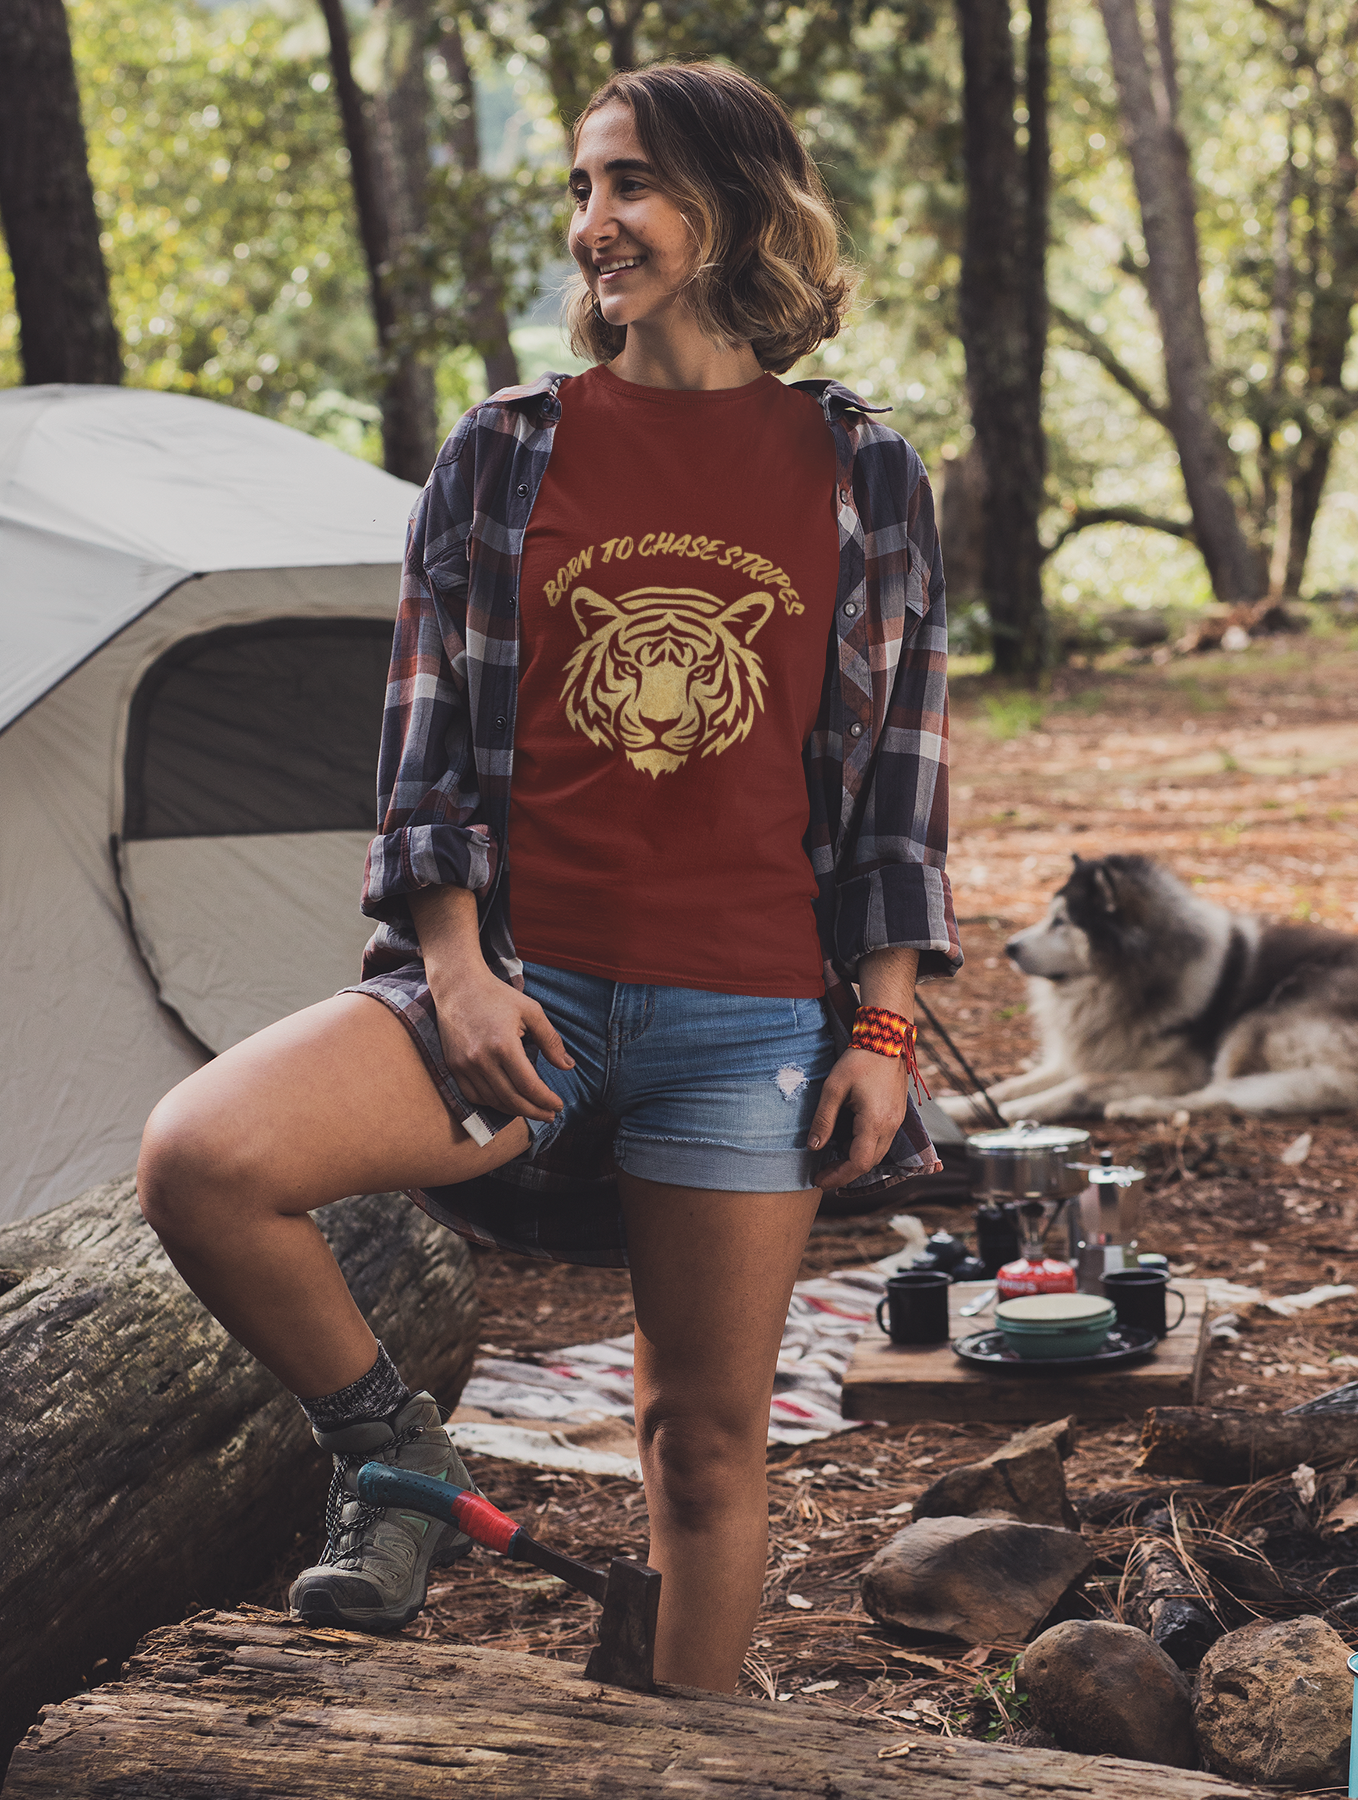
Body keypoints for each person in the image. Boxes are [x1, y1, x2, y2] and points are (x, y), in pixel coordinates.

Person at [137, 60, 959, 1695]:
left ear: (736, 205)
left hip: (750, 1023)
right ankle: (393, 1455)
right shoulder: (507, 450)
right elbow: (424, 747)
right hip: (520, 993)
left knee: (705, 1448)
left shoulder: (864, 473)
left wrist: (883, 1024)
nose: (596, 223)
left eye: (632, 184)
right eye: (582, 188)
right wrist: (453, 964)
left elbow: (900, 781)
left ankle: (678, 1752)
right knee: (203, 1158)